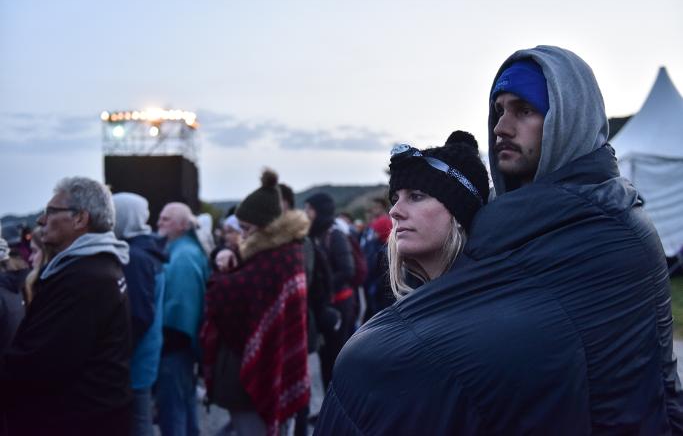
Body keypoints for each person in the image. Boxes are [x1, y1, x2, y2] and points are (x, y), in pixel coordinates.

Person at [314, 45, 683, 434]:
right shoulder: (517, 221)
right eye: (499, 110)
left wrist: (374, 356)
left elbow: (510, 343)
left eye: (524, 110)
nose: (501, 127)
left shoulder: (611, 229)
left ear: (567, 119)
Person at [0, 176, 132, 435]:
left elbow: (39, 362)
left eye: (50, 212)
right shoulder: (98, 266)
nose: (40, 221)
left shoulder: (84, 278)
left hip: (76, 422)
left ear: (80, 219)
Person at [202, 169, 310, 435]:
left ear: (266, 228)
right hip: (264, 369)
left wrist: (222, 273)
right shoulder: (282, 252)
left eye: (247, 229)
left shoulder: (277, 258)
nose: (243, 236)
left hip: (255, 375)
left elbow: (224, 296)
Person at [113, 192, 167, 436]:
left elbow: (138, 316)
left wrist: (115, 352)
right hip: (144, 356)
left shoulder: (134, 257)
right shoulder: (148, 250)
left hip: (134, 362)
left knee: (137, 424)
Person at [156, 202, 210, 436]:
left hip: (175, 349)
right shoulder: (182, 250)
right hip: (181, 349)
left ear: (182, 225)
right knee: (184, 408)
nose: (159, 223)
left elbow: (181, 313)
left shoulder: (183, 257)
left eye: (165, 219)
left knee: (174, 414)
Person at [304, 192, 355, 389]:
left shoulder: (335, 235)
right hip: (325, 306)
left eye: (309, 209)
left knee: (336, 359)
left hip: (339, 305)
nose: (306, 213)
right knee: (325, 359)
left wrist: (322, 287)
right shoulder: (315, 235)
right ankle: (328, 407)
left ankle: (340, 408)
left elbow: (347, 270)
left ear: (319, 211)